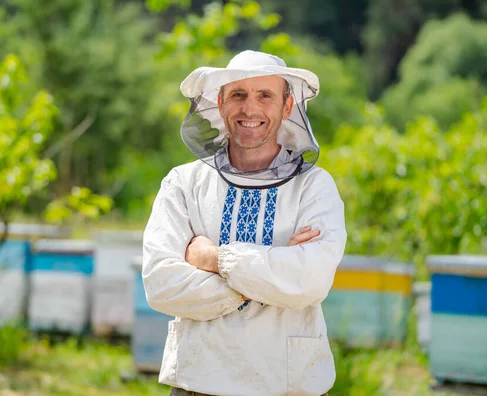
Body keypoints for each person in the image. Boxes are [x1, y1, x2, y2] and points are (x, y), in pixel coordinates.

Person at [142, 50, 347, 396]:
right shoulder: (183, 183)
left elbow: (310, 280)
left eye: (264, 95)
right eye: (238, 95)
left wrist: (215, 260)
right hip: (198, 385)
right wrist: (273, 271)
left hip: (289, 387)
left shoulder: (315, 187)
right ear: (220, 104)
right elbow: (160, 284)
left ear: (287, 107)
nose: (249, 109)